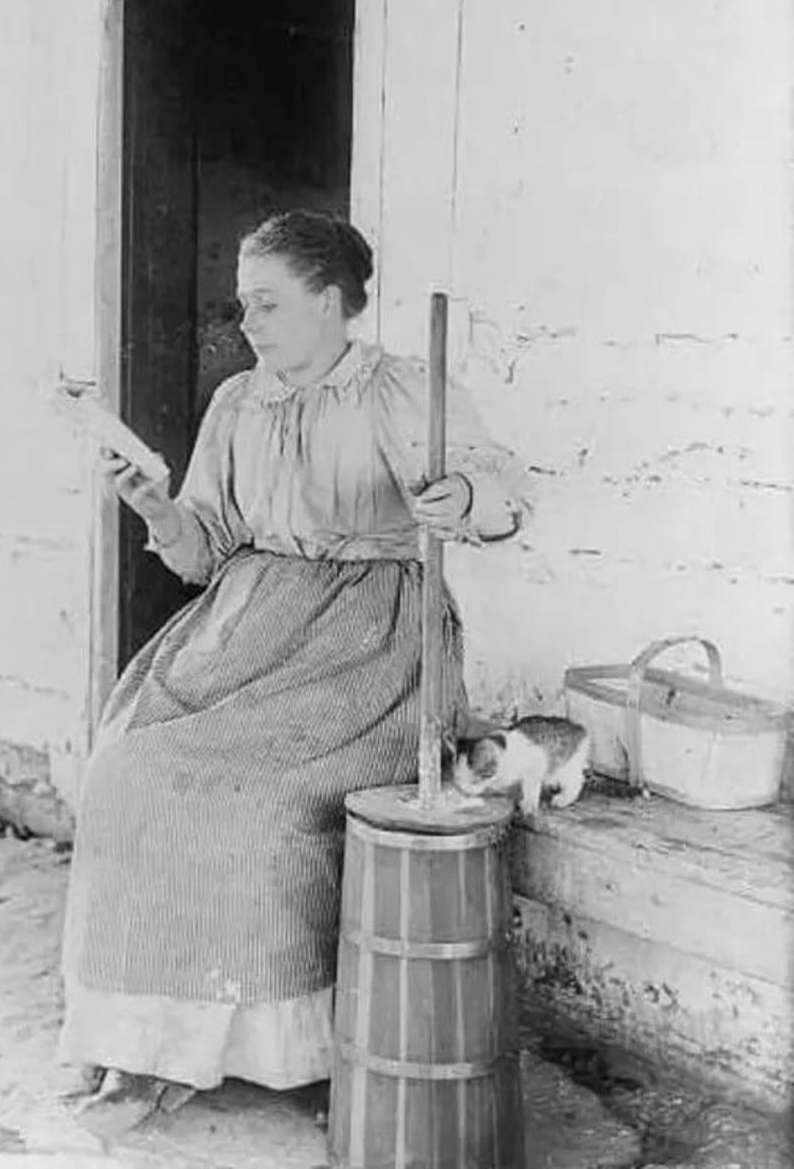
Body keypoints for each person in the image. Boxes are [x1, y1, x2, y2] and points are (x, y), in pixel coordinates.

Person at [57, 211, 532, 1122]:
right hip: (242, 628)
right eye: (244, 306)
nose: (250, 324)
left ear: (329, 300)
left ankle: (241, 1048)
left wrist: (461, 494)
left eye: (268, 303)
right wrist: (158, 508)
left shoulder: (404, 389)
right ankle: (134, 1042)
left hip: (370, 646)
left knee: (257, 804)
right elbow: (204, 552)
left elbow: (504, 492)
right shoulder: (240, 401)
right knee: (126, 767)